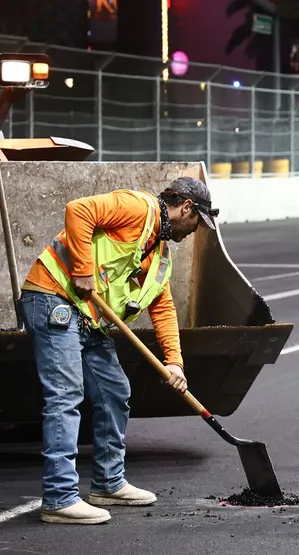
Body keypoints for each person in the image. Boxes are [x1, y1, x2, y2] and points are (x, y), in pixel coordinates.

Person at [19, 176, 218, 524]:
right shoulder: (137, 207)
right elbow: (78, 210)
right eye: (196, 223)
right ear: (186, 208)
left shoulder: (158, 254)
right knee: (66, 395)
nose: (193, 231)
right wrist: (82, 269)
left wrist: (175, 363)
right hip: (53, 299)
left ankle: (108, 483)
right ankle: (59, 497)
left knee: (114, 391)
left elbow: (163, 308)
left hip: (89, 318)